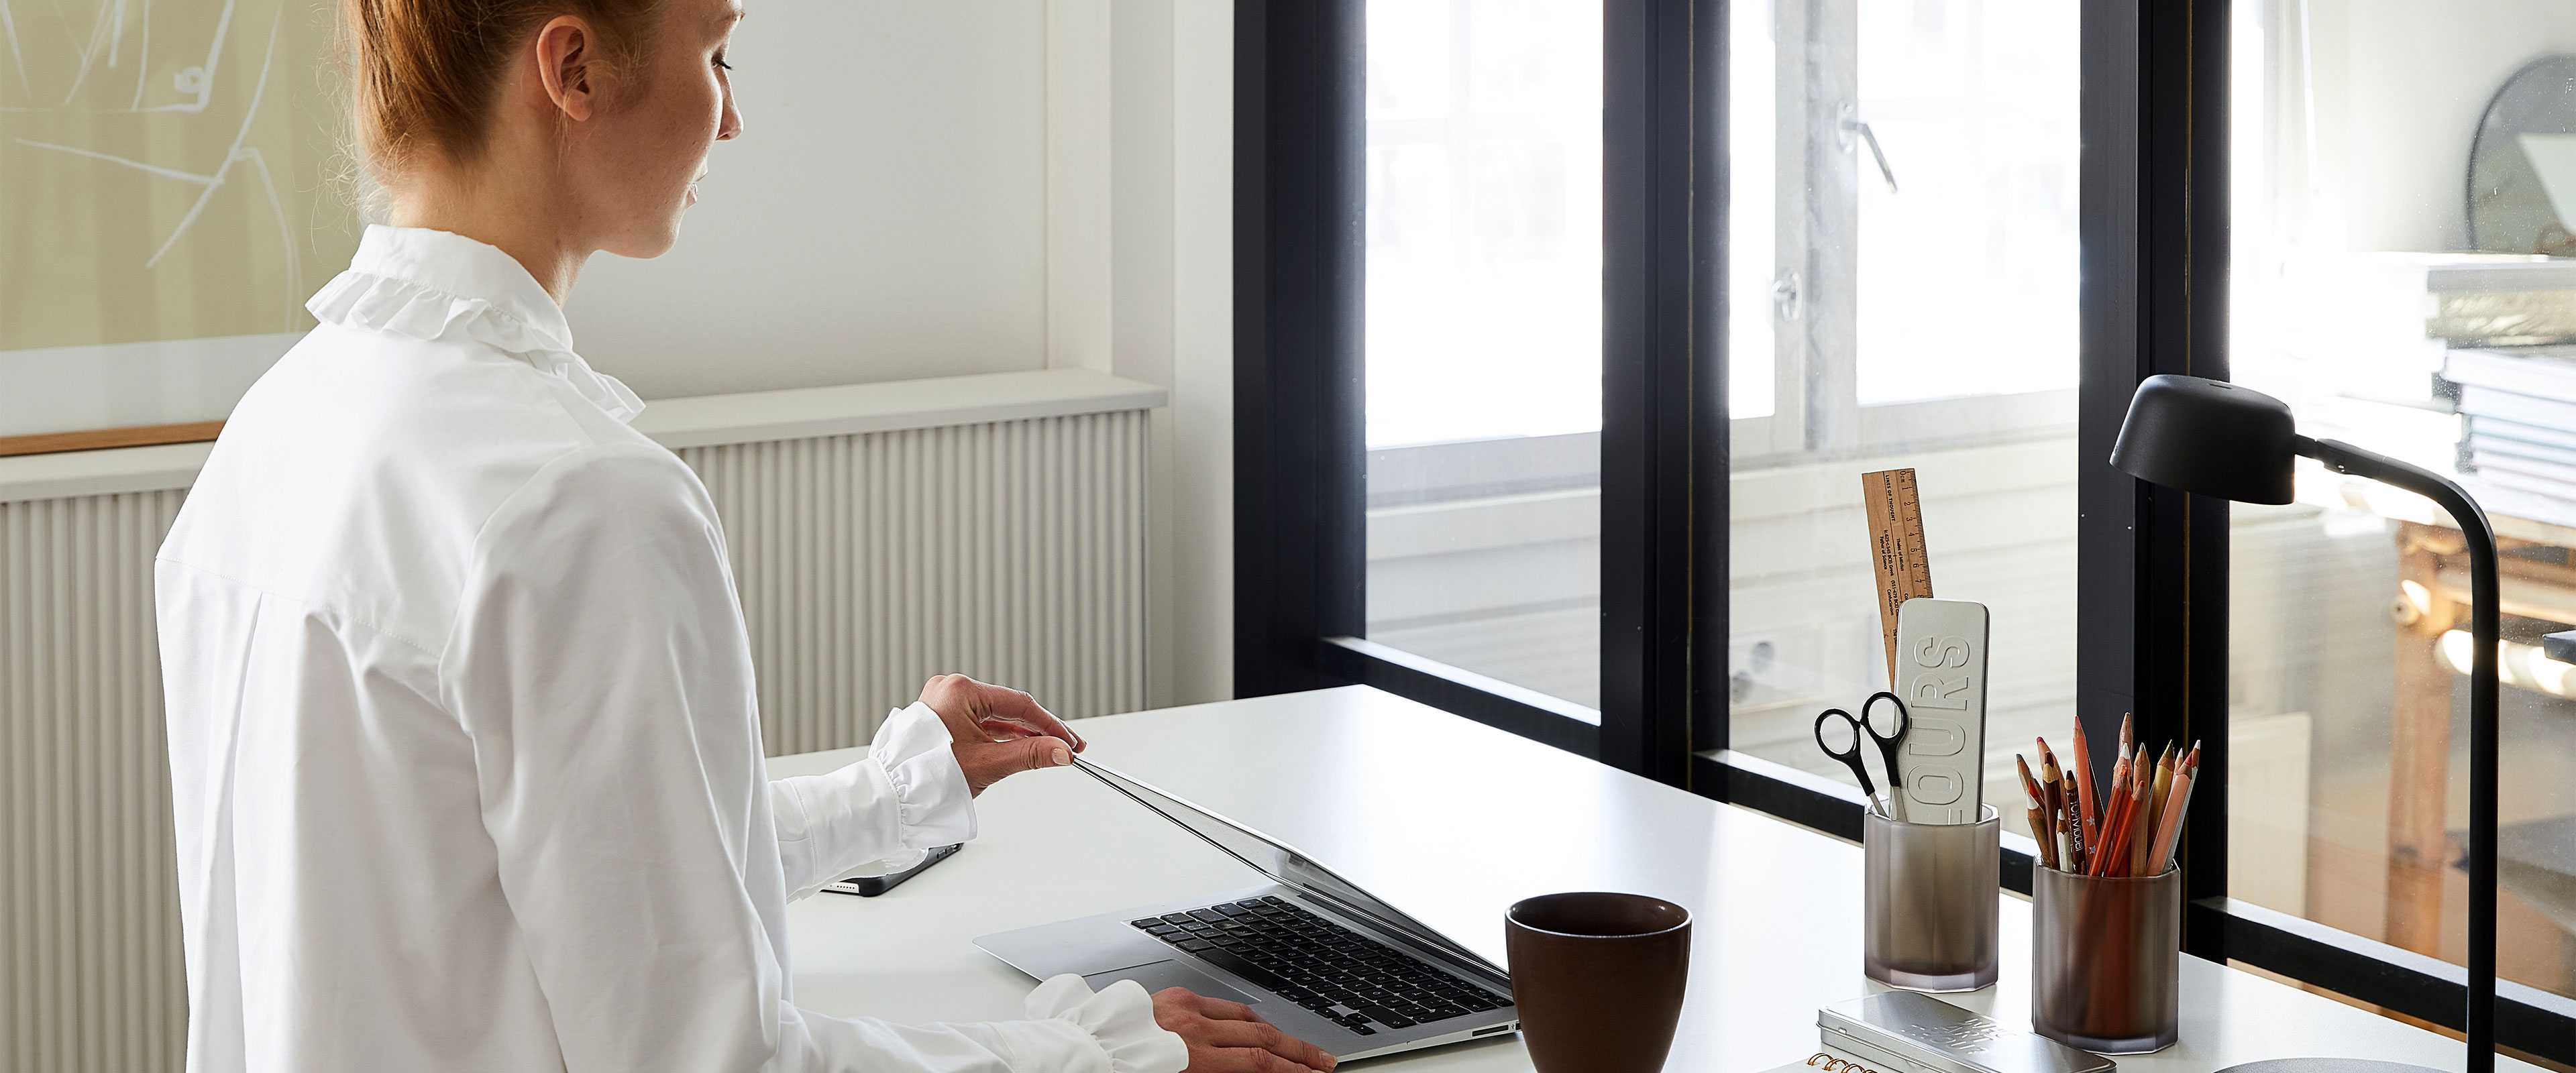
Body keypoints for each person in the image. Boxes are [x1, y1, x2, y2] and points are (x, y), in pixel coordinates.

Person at [150, 1, 1336, 1070]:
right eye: (717, 54)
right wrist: (1100, 1054)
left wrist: (896, 788)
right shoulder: (580, 499)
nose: (730, 119)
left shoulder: (283, 424)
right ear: (572, 70)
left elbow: (556, 862)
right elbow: (715, 1061)